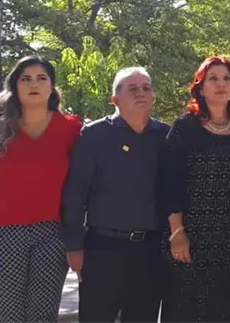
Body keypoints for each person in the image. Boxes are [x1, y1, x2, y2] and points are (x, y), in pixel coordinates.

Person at [0, 56, 82, 323]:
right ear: (15, 86)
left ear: (52, 87)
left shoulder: (71, 129)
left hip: (52, 235)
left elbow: (82, 183)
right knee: (10, 314)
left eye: (41, 78)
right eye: (25, 79)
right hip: (3, 235)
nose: (34, 84)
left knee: (43, 314)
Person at [62, 67, 171, 323]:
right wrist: (74, 245)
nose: (141, 93)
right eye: (132, 89)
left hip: (150, 249)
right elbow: (76, 192)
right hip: (102, 249)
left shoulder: (166, 135)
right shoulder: (94, 134)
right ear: (115, 99)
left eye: (146, 87)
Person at [160, 56, 230, 322]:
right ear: (200, 88)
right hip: (190, 241)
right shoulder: (185, 128)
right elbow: (170, 183)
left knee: (229, 313)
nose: (221, 84)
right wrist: (177, 231)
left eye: (227, 78)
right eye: (213, 78)